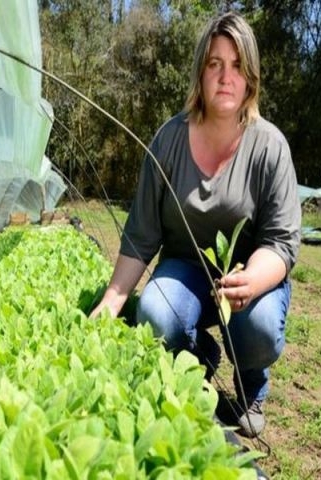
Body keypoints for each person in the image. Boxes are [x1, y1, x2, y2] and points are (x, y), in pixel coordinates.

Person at [90, 11, 301, 439]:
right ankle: (198, 355)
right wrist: (112, 301)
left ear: (251, 78)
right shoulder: (168, 140)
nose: (226, 76)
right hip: (186, 271)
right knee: (154, 312)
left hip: (248, 278)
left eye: (238, 65)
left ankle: (252, 385)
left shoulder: (270, 146)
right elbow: (142, 233)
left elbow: (281, 241)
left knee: (257, 326)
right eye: (215, 63)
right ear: (200, 73)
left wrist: (253, 280)